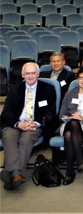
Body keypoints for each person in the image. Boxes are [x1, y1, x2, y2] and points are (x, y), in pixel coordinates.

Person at [0, 62, 56, 190]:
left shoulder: (48, 89)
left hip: (34, 125)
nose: (30, 76)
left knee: (25, 140)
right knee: (8, 137)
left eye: (33, 73)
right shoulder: (15, 89)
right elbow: (6, 111)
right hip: (15, 123)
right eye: (27, 73)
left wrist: (36, 123)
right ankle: (17, 174)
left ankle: (11, 173)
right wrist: (18, 123)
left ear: (38, 74)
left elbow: (51, 111)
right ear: (22, 74)